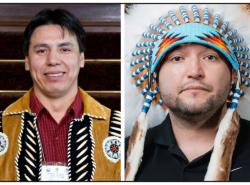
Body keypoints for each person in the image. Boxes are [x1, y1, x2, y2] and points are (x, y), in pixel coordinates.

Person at [125, 4, 250, 181]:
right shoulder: (119, 157)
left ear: (233, 76)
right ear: (155, 79)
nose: (194, 71)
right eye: (177, 58)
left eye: (210, 57)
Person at [0, 8, 120, 181]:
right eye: (41, 51)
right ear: (27, 61)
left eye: (65, 50)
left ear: (81, 59)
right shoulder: (3, 126)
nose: (53, 60)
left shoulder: (116, 129)